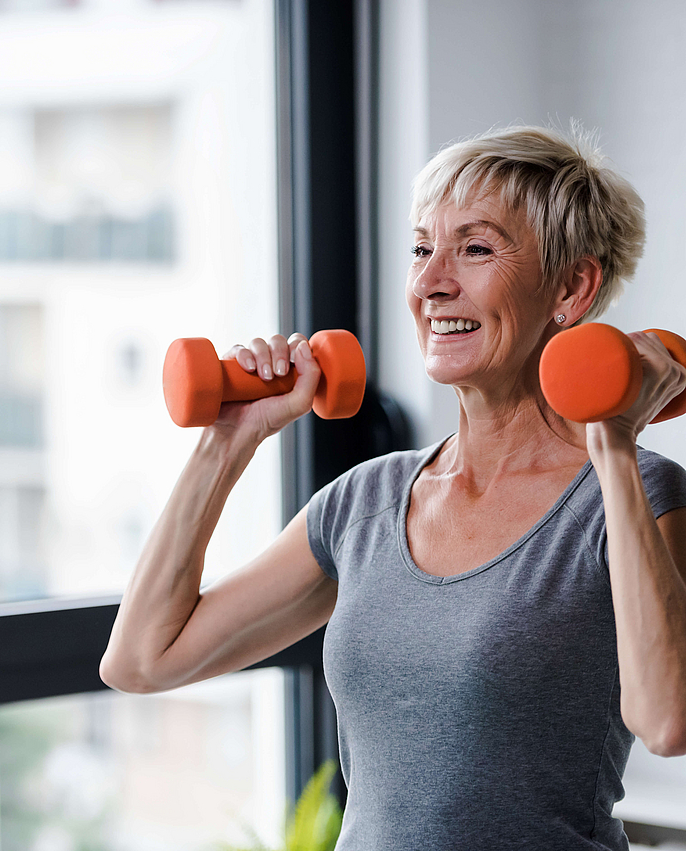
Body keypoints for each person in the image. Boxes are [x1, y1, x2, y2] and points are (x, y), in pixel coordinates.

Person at [99, 126, 686, 850]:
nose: (432, 282)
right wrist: (228, 441)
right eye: (420, 248)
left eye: (474, 248)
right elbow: (141, 660)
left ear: (571, 288)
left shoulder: (632, 494)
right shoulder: (363, 502)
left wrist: (615, 444)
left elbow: (666, 720)